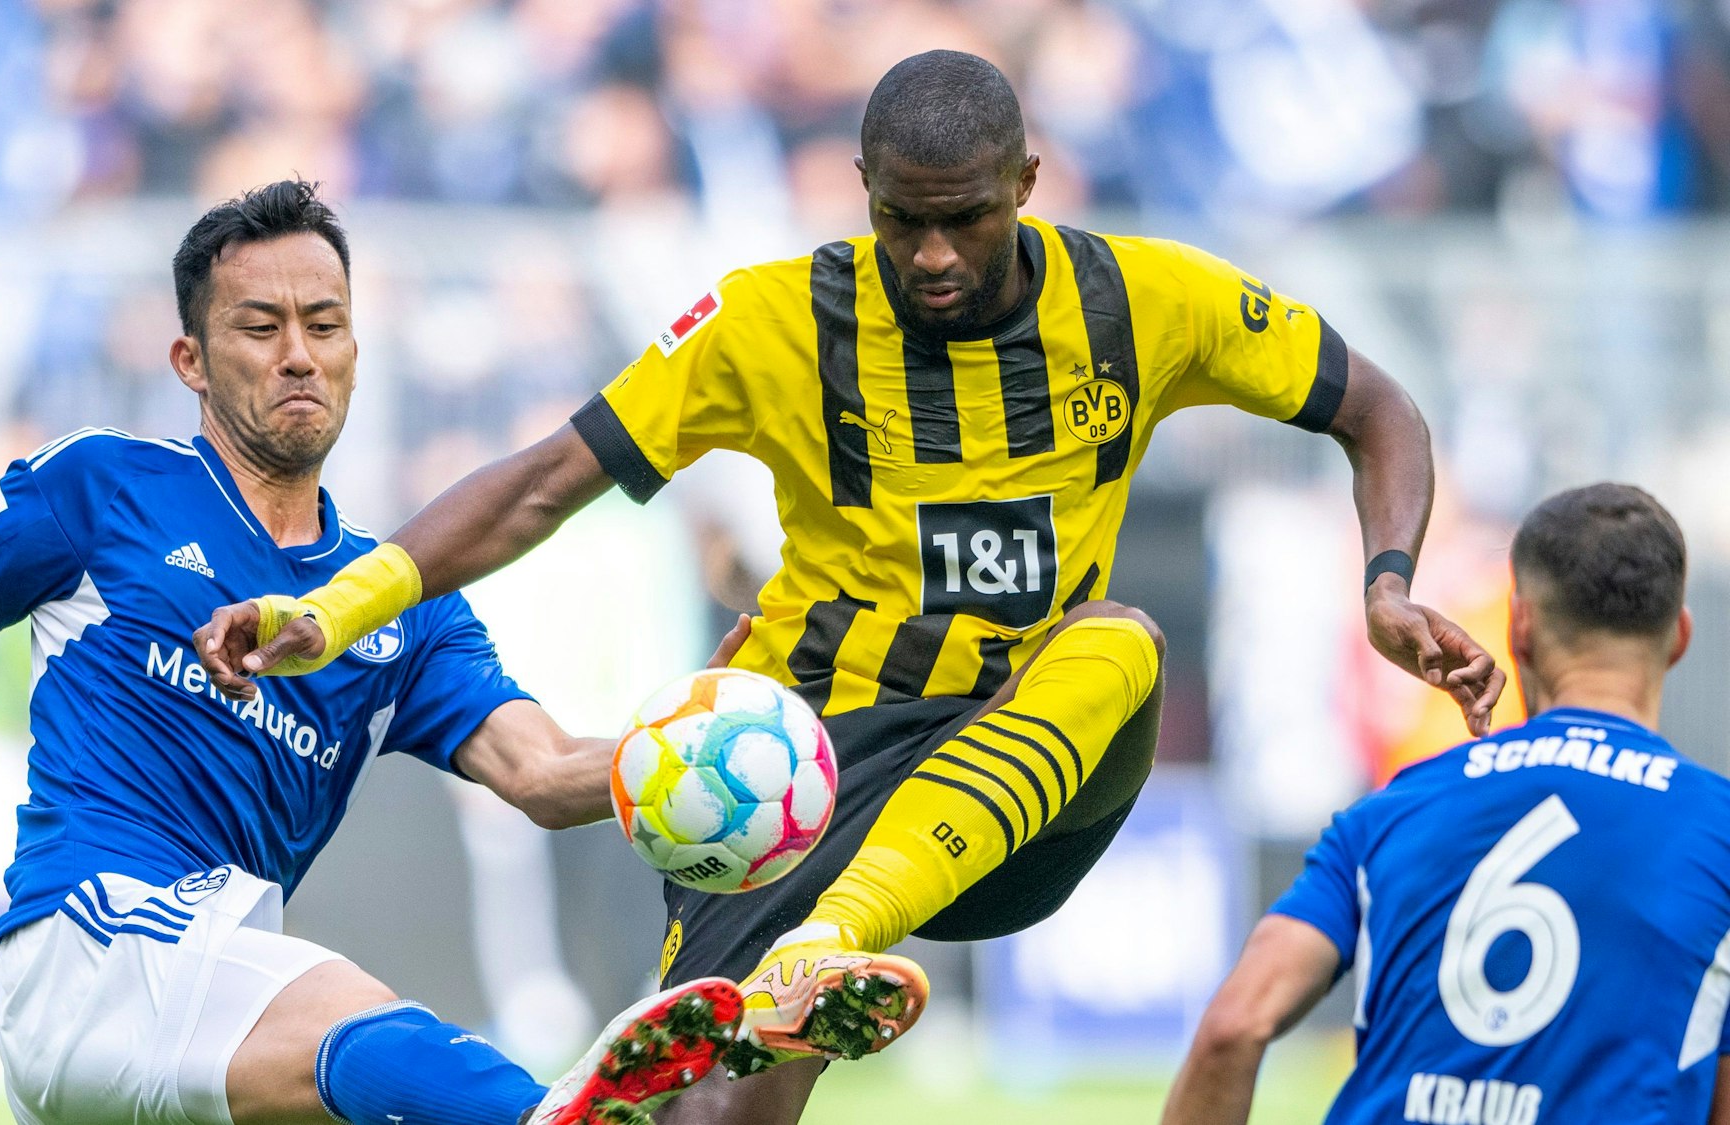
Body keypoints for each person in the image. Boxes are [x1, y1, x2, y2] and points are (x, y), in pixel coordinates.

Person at [194, 54, 1503, 1124]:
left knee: (1121, 640)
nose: (933, 254)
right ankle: (805, 977)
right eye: (901, 218)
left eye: (967, 217)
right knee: (709, 1112)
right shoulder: (766, 323)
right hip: (797, 763)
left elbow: (1377, 407)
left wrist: (1387, 582)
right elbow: (542, 481)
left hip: (1027, 762)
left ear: (1027, 185)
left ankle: (836, 941)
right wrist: (339, 607)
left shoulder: (1144, 301)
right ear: (861, 187)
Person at [0, 179, 745, 1125]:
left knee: (363, 1045)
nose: (297, 353)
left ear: (356, 349)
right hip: (89, 947)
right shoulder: (101, 488)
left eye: (325, 324)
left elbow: (545, 773)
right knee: (365, 1024)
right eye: (260, 327)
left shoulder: (406, 604)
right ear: (191, 362)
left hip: (214, 1002)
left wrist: (688, 740)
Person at [1162, 484, 1730, 1125]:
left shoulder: (1394, 808)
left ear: (1520, 625)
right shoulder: (1718, 832)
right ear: (1679, 635)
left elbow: (1233, 1026)